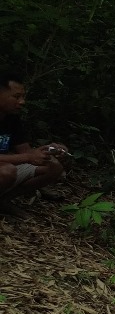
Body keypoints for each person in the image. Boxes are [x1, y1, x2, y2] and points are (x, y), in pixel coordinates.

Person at [0, 71, 69, 213]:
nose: (22, 101)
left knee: (54, 167)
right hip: (5, 170)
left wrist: (48, 150)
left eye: (23, 96)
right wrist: (27, 157)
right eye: (16, 96)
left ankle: (3, 200)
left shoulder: (12, 119)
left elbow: (26, 152)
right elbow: (26, 157)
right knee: (7, 171)